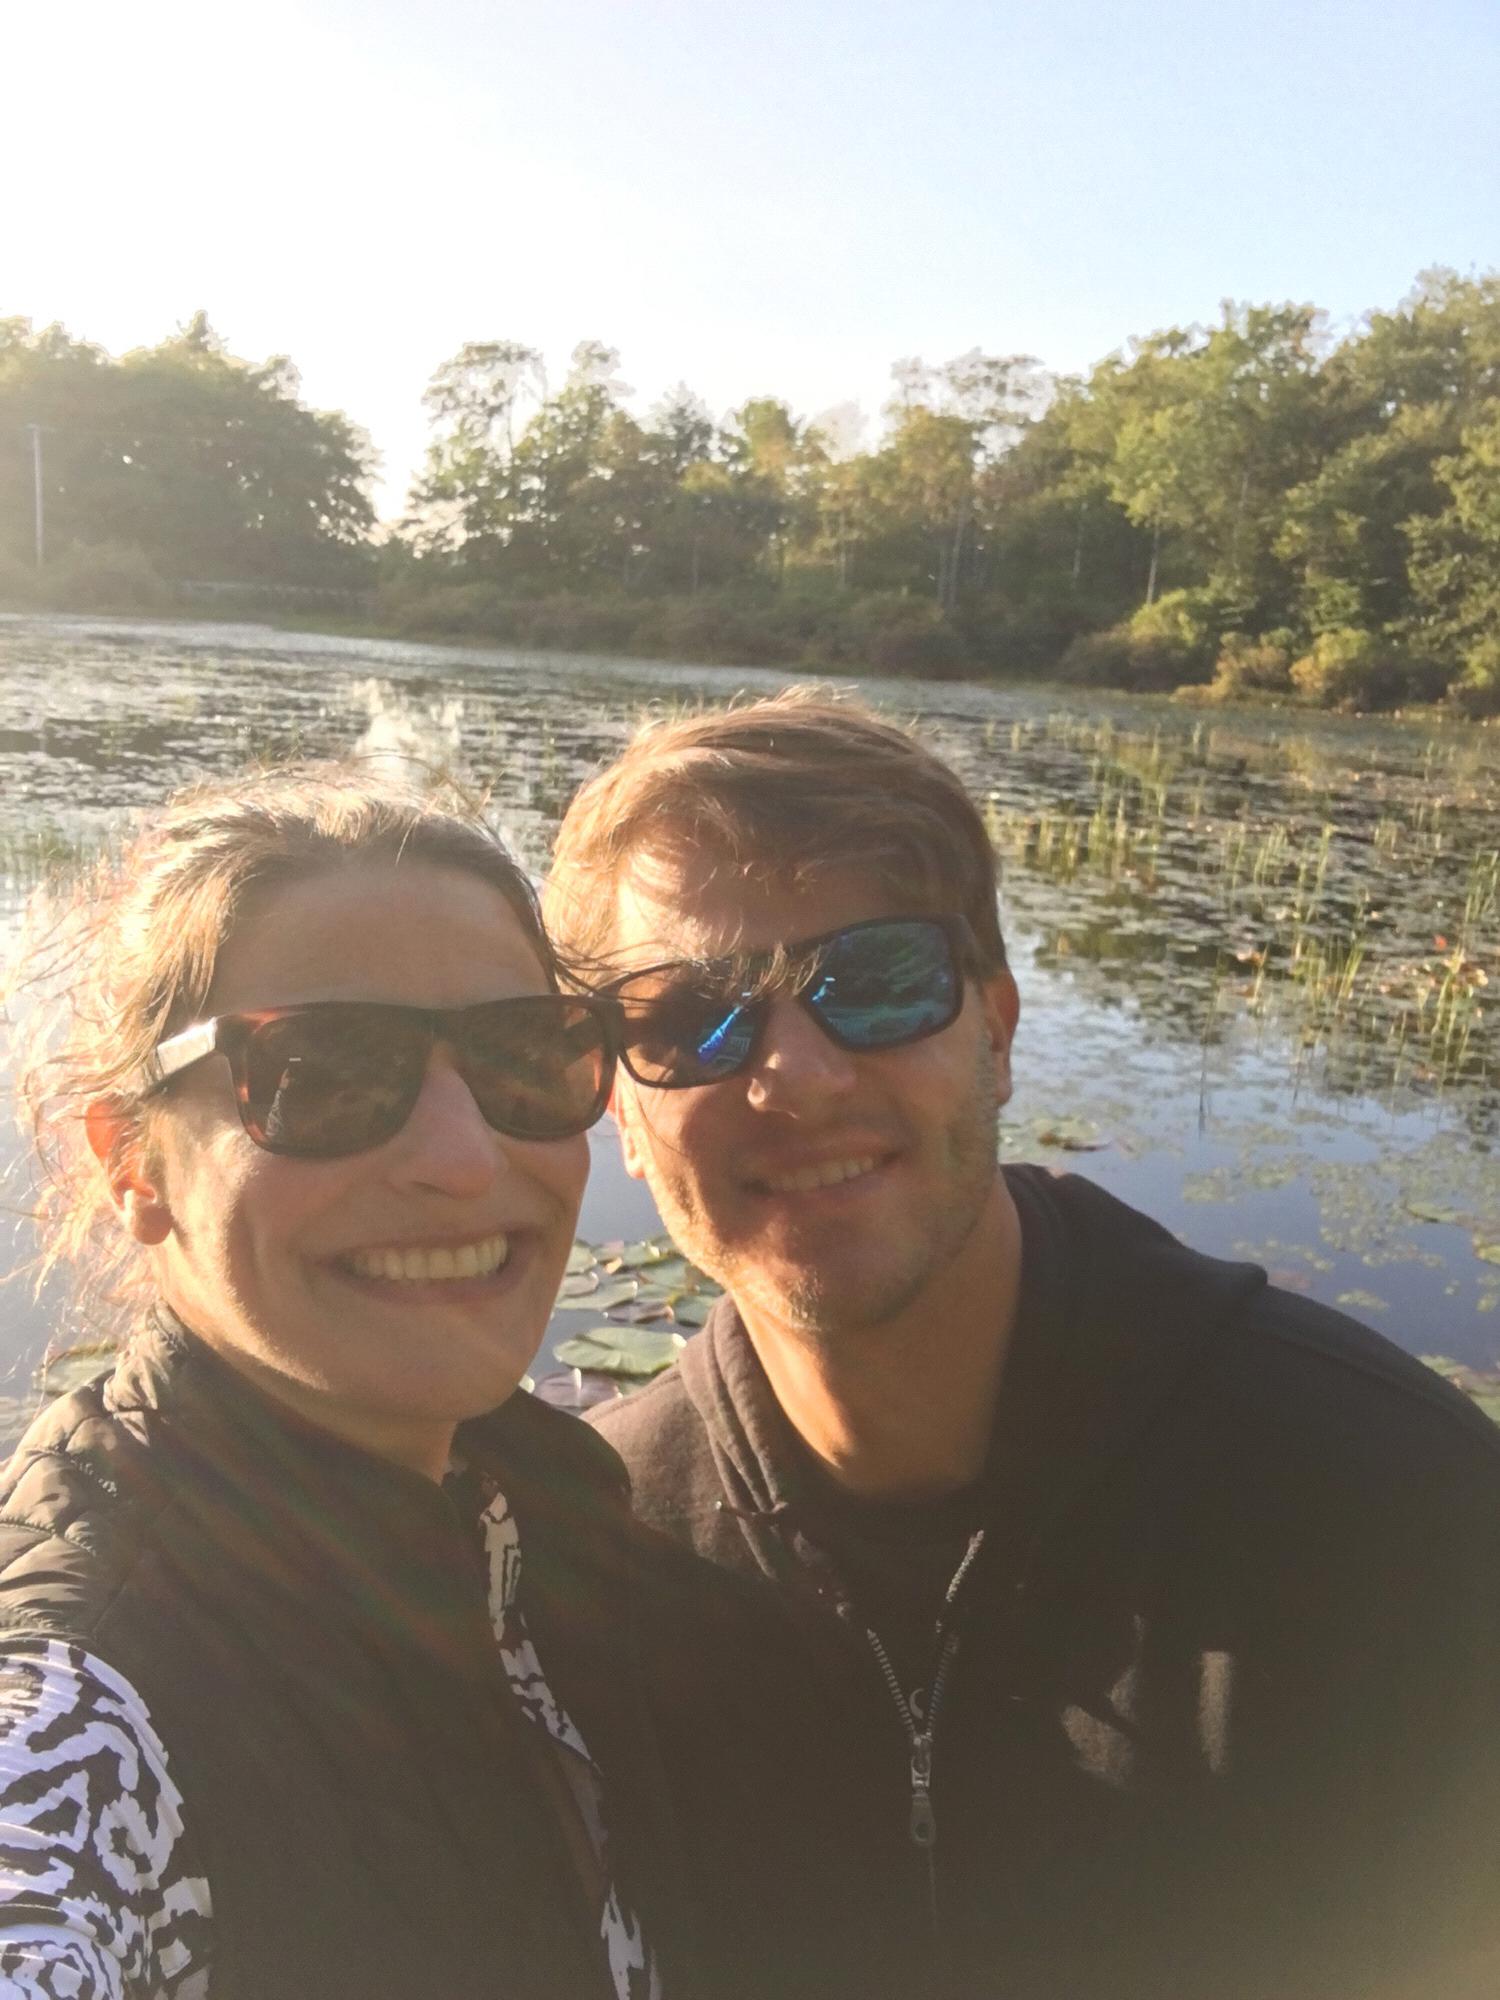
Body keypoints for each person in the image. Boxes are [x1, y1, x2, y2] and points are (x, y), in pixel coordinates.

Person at [545, 688, 1500, 2000]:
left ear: (994, 1032)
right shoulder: (604, 1559)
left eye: (877, 982)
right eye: (692, 1017)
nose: (799, 1074)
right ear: (622, 1117)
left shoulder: (1394, 1513)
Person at [0, 765, 694, 2000]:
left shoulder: (546, 1513)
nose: (463, 1157)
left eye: (523, 1056)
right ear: (131, 1160)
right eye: (321, 1071)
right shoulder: (76, 1719)